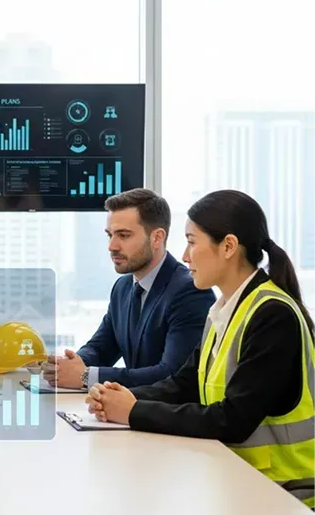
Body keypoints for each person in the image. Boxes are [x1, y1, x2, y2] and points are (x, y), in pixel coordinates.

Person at [85, 190, 315, 508]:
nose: (185, 255)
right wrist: (120, 398)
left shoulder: (271, 315)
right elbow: (185, 383)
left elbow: (232, 420)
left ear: (229, 246)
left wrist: (134, 411)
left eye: (192, 241)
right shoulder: (225, 309)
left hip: (282, 493)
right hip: (236, 479)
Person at [45, 188, 215, 389]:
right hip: (129, 412)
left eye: (123, 236)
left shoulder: (189, 291)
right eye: (110, 235)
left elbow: (172, 374)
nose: (112, 246)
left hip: (168, 415)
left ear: (157, 238)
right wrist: (70, 365)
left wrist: (85, 376)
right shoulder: (123, 287)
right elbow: (102, 348)